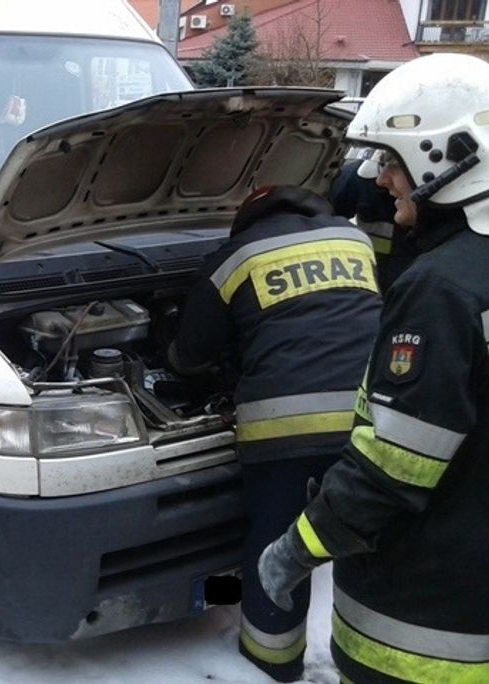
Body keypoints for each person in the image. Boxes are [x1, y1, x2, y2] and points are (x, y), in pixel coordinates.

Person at [258, 52, 489, 684]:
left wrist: (298, 548)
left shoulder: (442, 291)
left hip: (424, 626)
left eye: (391, 160)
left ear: (447, 158)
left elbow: (395, 467)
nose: (380, 178)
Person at [168, 184, 382, 682]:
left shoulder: (236, 256)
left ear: (247, 219)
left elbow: (190, 356)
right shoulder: (353, 240)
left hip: (285, 427)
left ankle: (271, 663)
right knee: (364, 534)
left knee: (278, 542)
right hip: (366, 417)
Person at [331, 148, 418, 292]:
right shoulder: (359, 180)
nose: (380, 180)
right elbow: (316, 223)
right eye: (383, 163)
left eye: (395, 166)